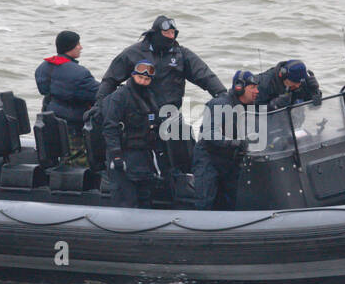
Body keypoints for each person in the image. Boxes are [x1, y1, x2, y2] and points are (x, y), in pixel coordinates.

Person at [95, 16, 226, 112]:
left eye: (173, 33)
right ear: (156, 34)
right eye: (166, 33)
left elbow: (204, 75)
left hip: (170, 112)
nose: (170, 36)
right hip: (139, 112)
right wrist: (99, 105)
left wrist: (222, 95)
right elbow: (110, 80)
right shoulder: (133, 53)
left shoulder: (181, 54)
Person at [193, 70, 260, 211]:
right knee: (205, 202)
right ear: (239, 87)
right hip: (208, 159)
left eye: (257, 87)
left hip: (230, 160)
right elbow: (209, 133)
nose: (257, 91)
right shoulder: (220, 104)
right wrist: (233, 142)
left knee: (232, 200)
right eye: (252, 87)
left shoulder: (251, 107)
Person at [101, 60, 163, 208]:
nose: (143, 81)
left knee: (145, 197)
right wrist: (116, 155)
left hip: (144, 156)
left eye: (147, 79)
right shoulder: (119, 97)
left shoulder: (150, 97)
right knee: (126, 198)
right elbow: (110, 127)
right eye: (140, 77)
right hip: (124, 156)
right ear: (133, 76)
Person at [34, 30, 100, 146]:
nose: (81, 47)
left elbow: (43, 90)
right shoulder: (80, 73)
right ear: (70, 47)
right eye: (78, 44)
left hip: (49, 122)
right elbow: (98, 94)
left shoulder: (43, 68)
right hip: (73, 127)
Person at [254, 59, 322, 111]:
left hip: (293, 124)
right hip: (269, 124)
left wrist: (314, 91)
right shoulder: (263, 84)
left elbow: (314, 107)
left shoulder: (301, 82)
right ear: (283, 76)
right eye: (294, 82)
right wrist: (273, 105)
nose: (297, 86)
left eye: (299, 83)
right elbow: (252, 111)